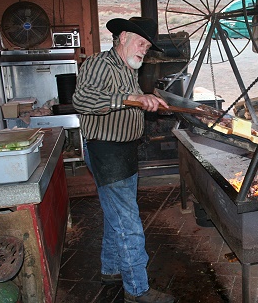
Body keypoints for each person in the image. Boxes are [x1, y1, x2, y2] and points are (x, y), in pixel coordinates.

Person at [72, 17, 175, 303]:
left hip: (124, 152)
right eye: (141, 43)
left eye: (147, 46)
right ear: (123, 37)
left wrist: (150, 100)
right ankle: (137, 290)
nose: (145, 49)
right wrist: (131, 99)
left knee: (115, 217)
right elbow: (82, 100)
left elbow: (131, 99)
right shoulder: (99, 63)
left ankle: (111, 270)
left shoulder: (128, 69)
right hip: (107, 153)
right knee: (129, 223)